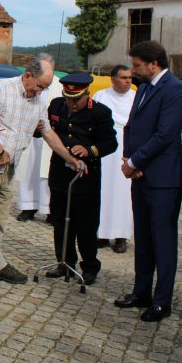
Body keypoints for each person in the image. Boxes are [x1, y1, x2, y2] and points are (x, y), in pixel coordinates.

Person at [0, 57, 81, 284]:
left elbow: (48, 132)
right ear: (27, 75)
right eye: (39, 86)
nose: (40, 91)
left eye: (45, 88)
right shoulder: (2, 88)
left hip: (10, 168)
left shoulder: (38, 101)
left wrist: (68, 157)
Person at [114, 40, 182, 322]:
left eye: (137, 66)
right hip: (141, 175)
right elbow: (132, 127)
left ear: (153, 64)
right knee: (143, 237)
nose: (133, 71)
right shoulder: (144, 88)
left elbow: (165, 134)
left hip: (163, 179)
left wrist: (134, 162)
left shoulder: (174, 89)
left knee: (162, 240)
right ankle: (141, 291)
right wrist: (128, 159)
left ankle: (162, 301)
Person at [44, 73, 117, 285]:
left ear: (87, 94)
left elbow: (110, 143)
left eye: (76, 99)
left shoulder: (101, 113)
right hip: (60, 173)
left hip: (85, 178)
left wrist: (89, 150)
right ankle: (64, 262)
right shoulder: (56, 106)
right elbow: (46, 130)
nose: (71, 104)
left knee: (86, 225)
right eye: (68, 98)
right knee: (60, 220)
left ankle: (90, 266)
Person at [93, 65, 136, 253]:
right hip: (105, 147)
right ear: (113, 79)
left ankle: (121, 235)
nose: (128, 81)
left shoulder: (136, 98)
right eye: (124, 78)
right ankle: (101, 233)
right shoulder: (101, 96)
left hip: (127, 148)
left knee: (123, 193)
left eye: (130, 78)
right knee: (103, 189)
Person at [16, 53, 63, 223]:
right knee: (28, 171)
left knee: (47, 174)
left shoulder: (59, 85)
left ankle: (50, 210)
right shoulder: (25, 81)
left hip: (49, 134)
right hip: (29, 134)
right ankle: (28, 207)